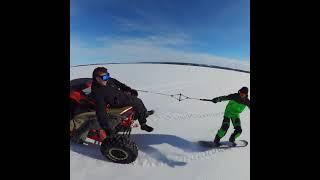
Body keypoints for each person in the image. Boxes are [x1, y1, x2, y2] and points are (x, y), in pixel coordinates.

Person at [91, 67, 154, 135]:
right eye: (105, 77)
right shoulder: (98, 93)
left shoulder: (108, 80)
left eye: (108, 75)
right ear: (97, 78)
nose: (107, 78)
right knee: (138, 101)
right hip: (117, 102)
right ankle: (143, 124)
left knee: (135, 97)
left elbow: (120, 84)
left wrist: (129, 89)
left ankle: (142, 113)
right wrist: (107, 129)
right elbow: (101, 111)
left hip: (120, 94)